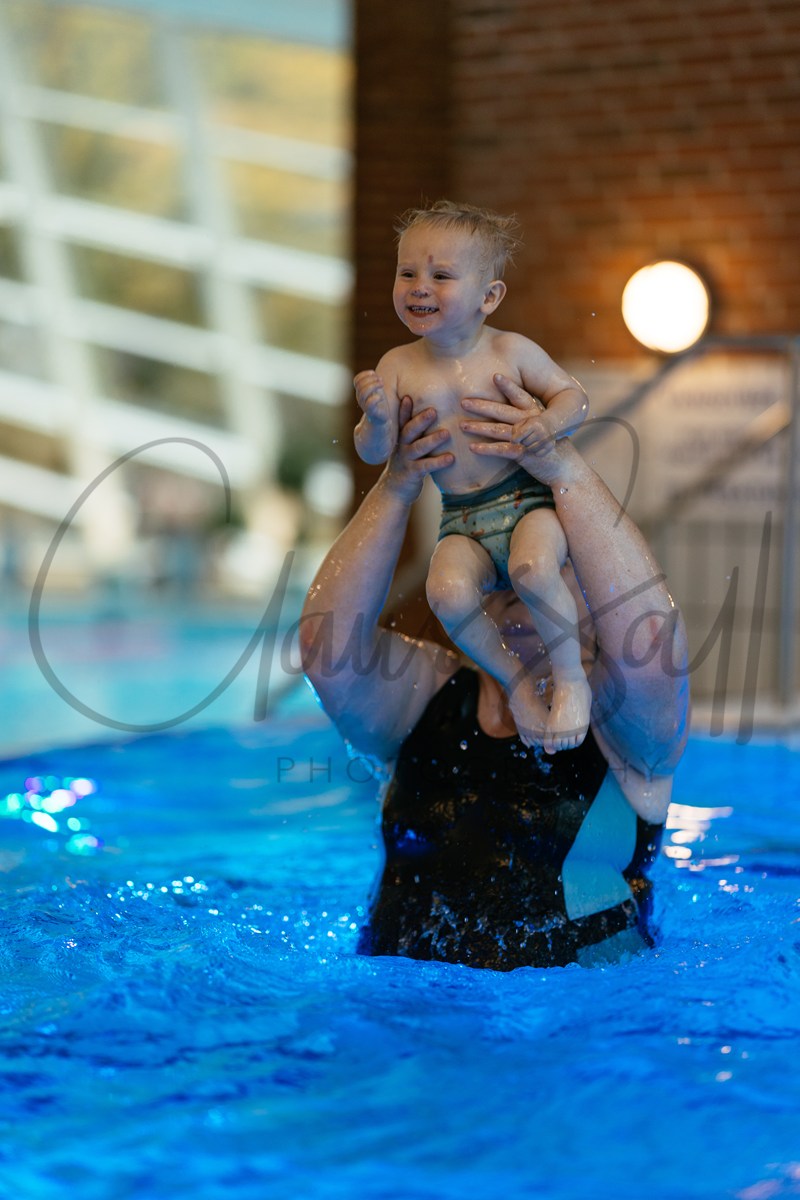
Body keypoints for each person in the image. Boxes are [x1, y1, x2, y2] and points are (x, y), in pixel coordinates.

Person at [299, 376, 690, 971]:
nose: (515, 580)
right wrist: (398, 484)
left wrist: (561, 466)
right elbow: (324, 650)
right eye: (493, 556)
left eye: (547, 561)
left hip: (577, 1018)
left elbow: (652, 641)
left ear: (590, 591)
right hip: (396, 1011)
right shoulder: (424, 695)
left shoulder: (622, 720)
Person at [354, 200, 590, 754]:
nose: (419, 286)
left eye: (441, 275)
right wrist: (375, 420)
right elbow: (374, 453)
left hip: (526, 502)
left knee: (534, 570)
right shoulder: (397, 366)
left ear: (489, 296)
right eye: (407, 273)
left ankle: (571, 679)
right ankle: (516, 683)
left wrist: (546, 423)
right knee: (445, 591)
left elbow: (574, 397)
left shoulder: (510, 351)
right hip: (460, 518)